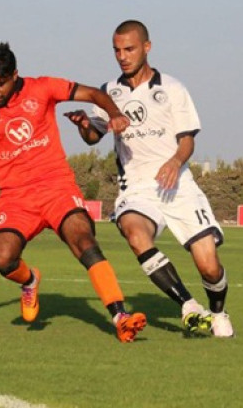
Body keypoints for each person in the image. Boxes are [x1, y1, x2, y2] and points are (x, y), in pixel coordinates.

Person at [0, 42, 146, 342]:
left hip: (56, 186)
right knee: (2, 259)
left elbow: (94, 94)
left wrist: (113, 113)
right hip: (16, 196)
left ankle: (121, 316)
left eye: (0, 84)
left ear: (15, 75)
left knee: (84, 239)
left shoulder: (44, 88)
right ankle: (31, 280)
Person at [65, 20, 233, 337]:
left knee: (209, 265)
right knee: (134, 232)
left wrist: (174, 162)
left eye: (129, 49)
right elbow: (93, 137)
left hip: (178, 186)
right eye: (116, 50)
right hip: (137, 189)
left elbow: (187, 140)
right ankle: (188, 305)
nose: (122, 56)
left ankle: (218, 313)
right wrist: (83, 124)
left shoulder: (172, 89)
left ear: (147, 47)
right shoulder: (108, 93)